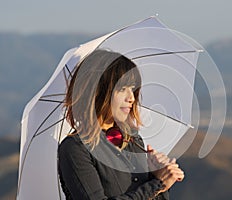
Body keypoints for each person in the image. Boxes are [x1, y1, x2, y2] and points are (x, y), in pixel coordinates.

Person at [58, 49, 184, 200]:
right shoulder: (75, 149)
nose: (131, 98)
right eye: (122, 89)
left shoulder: (133, 140)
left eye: (132, 88)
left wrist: (157, 175)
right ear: (99, 92)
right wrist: (157, 183)